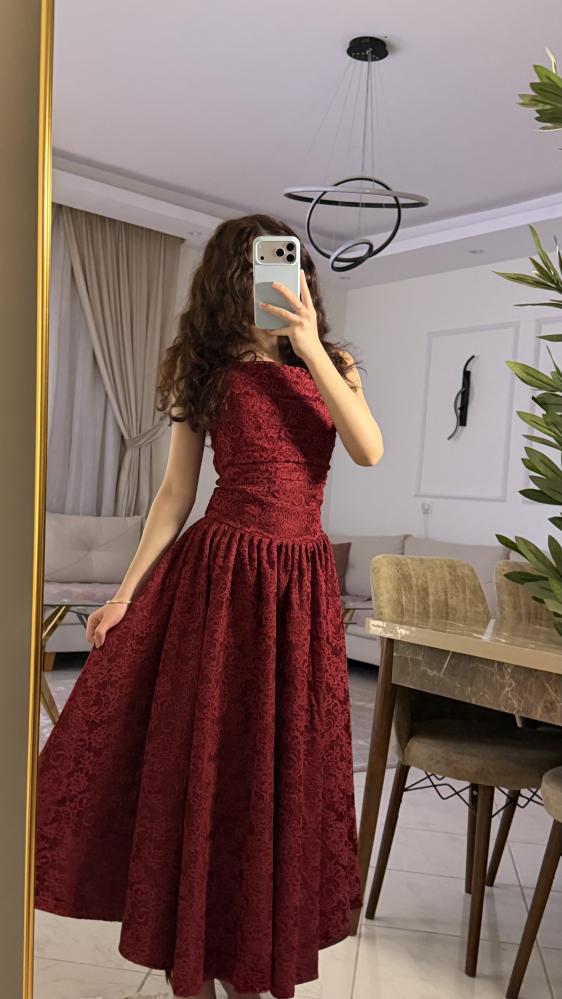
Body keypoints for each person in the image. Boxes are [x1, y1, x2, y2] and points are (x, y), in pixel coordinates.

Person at [34, 213, 384, 999]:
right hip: (224, 582)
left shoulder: (335, 365)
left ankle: (256, 948)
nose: (290, 281)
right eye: (267, 268)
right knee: (217, 765)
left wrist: (310, 349)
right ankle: (202, 947)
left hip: (301, 590)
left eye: (295, 268)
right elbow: (174, 495)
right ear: (236, 278)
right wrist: (124, 594)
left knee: (283, 767)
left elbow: (368, 448)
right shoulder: (207, 372)